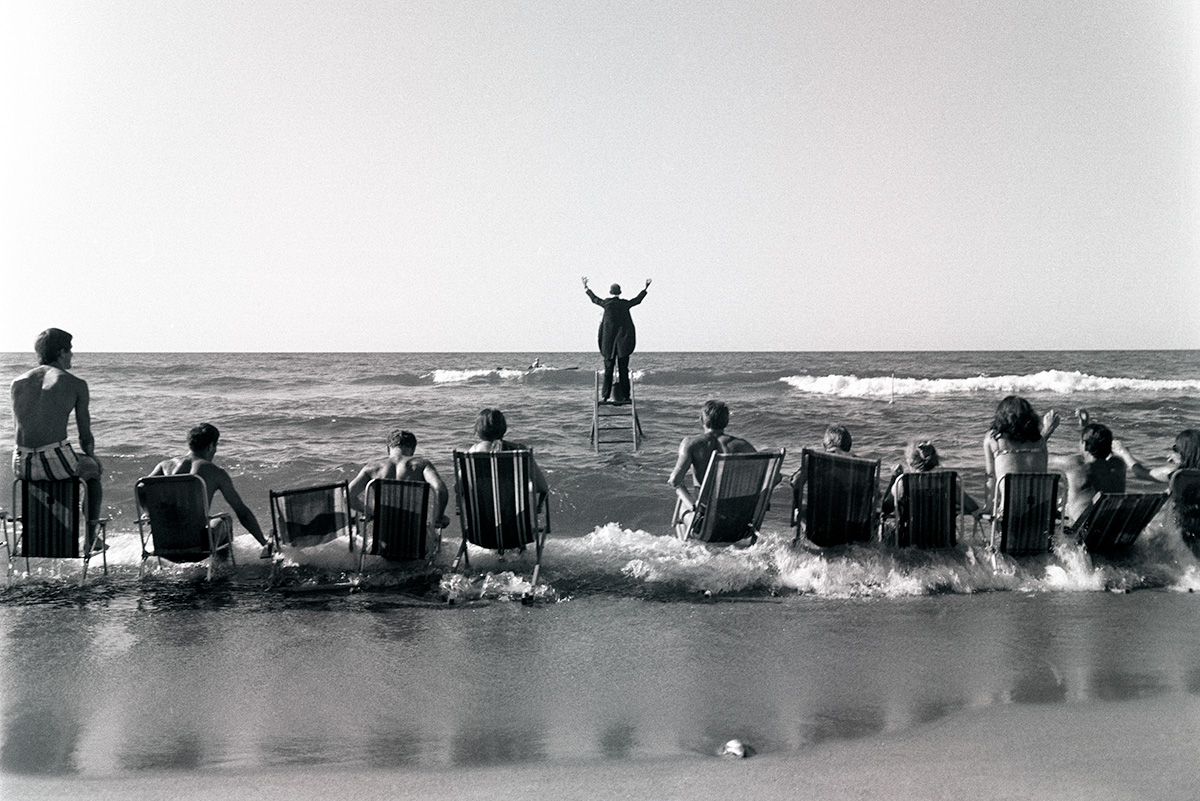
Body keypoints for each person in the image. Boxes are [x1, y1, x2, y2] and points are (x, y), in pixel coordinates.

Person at [10, 328, 104, 549]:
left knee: (52, 470)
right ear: (62, 352)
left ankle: (39, 535)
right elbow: (85, 436)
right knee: (93, 471)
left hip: (21, 464)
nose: (72, 356)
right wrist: (93, 458)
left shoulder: (17, 382)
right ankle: (91, 538)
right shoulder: (75, 383)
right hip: (55, 460)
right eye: (70, 351)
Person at [147, 423, 271, 557]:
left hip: (164, 546)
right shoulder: (215, 472)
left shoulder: (164, 466)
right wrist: (264, 542)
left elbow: (142, 488)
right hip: (198, 548)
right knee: (225, 519)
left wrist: (147, 512)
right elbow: (242, 513)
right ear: (211, 446)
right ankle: (221, 569)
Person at [668, 400, 759, 514]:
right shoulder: (742, 445)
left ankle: (696, 514)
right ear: (726, 421)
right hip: (737, 514)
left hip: (706, 515)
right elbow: (772, 478)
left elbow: (675, 480)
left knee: (682, 506)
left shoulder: (691, 443)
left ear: (701, 419)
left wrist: (690, 501)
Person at [347, 428, 450, 529]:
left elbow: (347, 495)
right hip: (415, 534)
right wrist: (439, 517)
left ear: (388, 448)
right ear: (413, 449)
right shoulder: (421, 465)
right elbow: (440, 489)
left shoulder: (372, 468)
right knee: (439, 540)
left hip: (382, 538)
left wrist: (371, 512)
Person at [1048, 409, 1128, 526]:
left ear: (1084, 445)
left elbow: (1038, 459)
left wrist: (1047, 430)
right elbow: (1102, 451)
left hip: (1082, 532)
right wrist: (1087, 427)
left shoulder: (1075, 465)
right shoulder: (1119, 465)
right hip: (1111, 527)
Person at [983, 395, 1060, 512]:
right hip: (1042, 515)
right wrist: (1047, 429)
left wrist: (988, 507)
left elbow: (990, 476)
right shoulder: (1040, 442)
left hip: (1010, 515)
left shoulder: (994, 439)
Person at [582, 276, 651, 404]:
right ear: (620, 292)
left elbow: (594, 299)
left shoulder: (606, 304)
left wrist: (586, 287)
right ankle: (626, 396)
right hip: (623, 343)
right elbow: (637, 300)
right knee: (623, 370)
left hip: (608, 344)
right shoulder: (624, 304)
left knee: (608, 371)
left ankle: (605, 396)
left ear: (610, 292)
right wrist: (645, 288)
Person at [882, 440, 982, 518]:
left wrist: (894, 478)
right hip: (943, 539)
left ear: (910, 462)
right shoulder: (946, 482)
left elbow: (886, 508)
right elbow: (972, 507)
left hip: (910, 540)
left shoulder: (903, 483)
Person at [469, 408, 550, 499]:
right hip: (515, 512)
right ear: (503, 428)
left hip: (481, 512)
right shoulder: (520, 451)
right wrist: (518, 487)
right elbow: (541, 487)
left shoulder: (473, 452)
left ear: (479, 430)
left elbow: (460, 487)